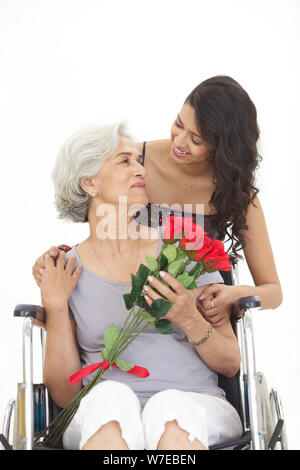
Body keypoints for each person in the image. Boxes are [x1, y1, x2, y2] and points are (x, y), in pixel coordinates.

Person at [39, 123, 242, 450]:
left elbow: (230, 362)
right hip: (99, 413)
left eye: (138, 159)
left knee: (168, 407)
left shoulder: (183, 250)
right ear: (89, 183)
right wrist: (56, 306)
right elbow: (64, 395)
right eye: (124, 161)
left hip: (196, 405)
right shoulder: (65, 270)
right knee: (110, 397)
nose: (140, 169)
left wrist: (189, 317)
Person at [33, 75, 282, 327]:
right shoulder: (134, 161)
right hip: (125, 310)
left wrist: (234, 293)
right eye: (178, 124)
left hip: (197, 319)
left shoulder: (237, 194)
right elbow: (101, 229)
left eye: (196, 140)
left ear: (222, 148)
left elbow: (273, 291)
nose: (180, 142)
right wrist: (61, 260)